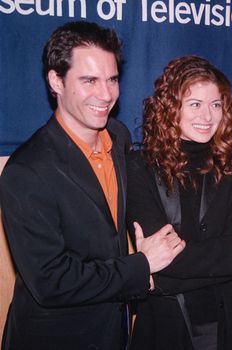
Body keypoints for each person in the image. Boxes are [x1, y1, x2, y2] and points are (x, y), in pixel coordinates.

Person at [0, 21, 185, 350]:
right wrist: (140, 267)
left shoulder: (118, 135)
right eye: (89, 81)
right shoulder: (26, 171)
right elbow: (51, 281)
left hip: (114, 334)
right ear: (56, 81)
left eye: (112, 79)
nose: (106, 94)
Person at [126, 55, 232, 350]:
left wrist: (161, 276)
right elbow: (161, 263)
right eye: (195, 104)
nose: (208, 116)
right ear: (171, 109)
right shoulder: (139, 168)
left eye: (216, 105)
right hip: (165, 326)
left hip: (231, 326)